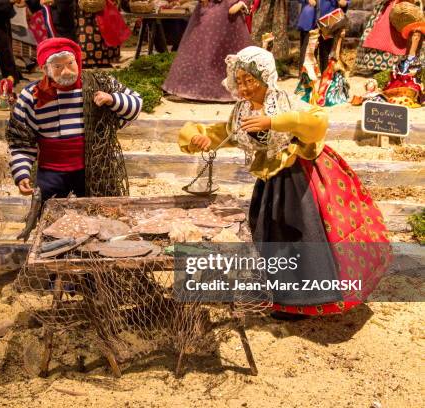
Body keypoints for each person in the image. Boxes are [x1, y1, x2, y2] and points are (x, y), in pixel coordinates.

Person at [178, 47, 391, 318]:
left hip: (301, 175)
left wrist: (273, 121)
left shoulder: (285, 101)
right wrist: (203, 137)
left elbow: (316, 122)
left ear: (265, 77)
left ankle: (310, 298)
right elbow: (228, 132)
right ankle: (281, 298)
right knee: (271, 233)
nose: (243, 87)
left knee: (301, 231)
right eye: (239, 81)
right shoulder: (242, 109)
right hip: (270, 180)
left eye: (249, 80)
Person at [6, 38, 142, 201]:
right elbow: (20, 140)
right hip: (51, 173)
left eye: (70, 63)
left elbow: (136, 105)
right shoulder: (31, 96)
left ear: (77, 60)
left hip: (95, 169)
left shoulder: (97, 84)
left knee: (96, 213)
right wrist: (22, 173)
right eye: (58, 67)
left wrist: (112, 99)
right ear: (45, 69)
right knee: (50, 214)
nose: (66, 71)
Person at [163, 0, 253, 102]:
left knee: (220, 52)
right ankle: (201, 89)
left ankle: (231, 88)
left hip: (225, 14)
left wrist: (241, 4)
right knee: (205, 49)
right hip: (213, 12)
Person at [297, 0, 349, 72]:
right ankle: (306, 79)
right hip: (310, 20)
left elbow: (344, 3)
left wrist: (344, 3)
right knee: (308, 54)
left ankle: (326, 78)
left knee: (327, 55)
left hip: (329, 21)